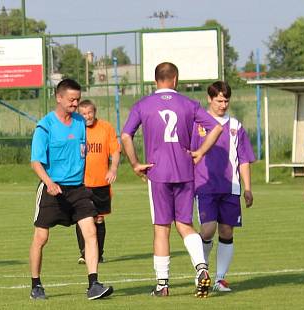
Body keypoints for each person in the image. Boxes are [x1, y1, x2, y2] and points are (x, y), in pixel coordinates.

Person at [121, 62, 223, 298]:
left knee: (161, 228)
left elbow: (126, 135)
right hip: (185, 172)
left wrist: (136, 163)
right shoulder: (188, 104)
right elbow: (216, 128)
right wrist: (200, 152)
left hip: (157, 173)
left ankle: (162, 285)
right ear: (175, 79)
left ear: (155, 80)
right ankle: (201, 268)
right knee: (185, 224)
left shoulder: (143, 105)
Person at [28, 79, 113, 300]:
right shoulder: (45, 126)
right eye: (72, 100)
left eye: (78, 99)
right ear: (59, 98)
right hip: (51, 188)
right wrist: (49, 182)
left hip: (77, 190)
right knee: (41, 238)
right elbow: (36, 162)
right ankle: (36, 285)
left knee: (91, 232)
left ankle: (93, 284)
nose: (76, 105)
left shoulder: (79, 123)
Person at [192, 81, 255, 292]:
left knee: (227, 231)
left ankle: (219, 279)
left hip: (231, 187)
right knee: (208, 229)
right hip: (205, 186)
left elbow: (244, 158)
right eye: (219, 100)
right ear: (209, 99)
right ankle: (202, 271)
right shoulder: (197, 124)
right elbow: (189, 154)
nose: (223, 104)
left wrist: (247, 188)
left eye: (226, 100)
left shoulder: (236, 126)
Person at [74, 99, 120, 264]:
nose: (87, 116)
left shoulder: (106, 128)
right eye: (84, 114)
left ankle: (98, 254)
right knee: (82, 218)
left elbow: (115, 151)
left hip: (101, 182)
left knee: (99, 219)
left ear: (95, 112)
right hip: (81, 183)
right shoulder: (75, 129)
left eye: (90, 112)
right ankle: (84, 252)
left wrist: (113, 169)